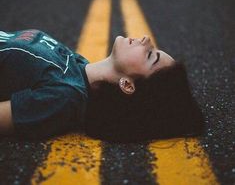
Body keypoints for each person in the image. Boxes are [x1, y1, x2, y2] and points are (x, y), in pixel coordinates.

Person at [0, 29, 204, 142]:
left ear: (128, 85)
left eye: (150, 55)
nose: (147, 39)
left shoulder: (64, 98)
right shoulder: (78, 63)